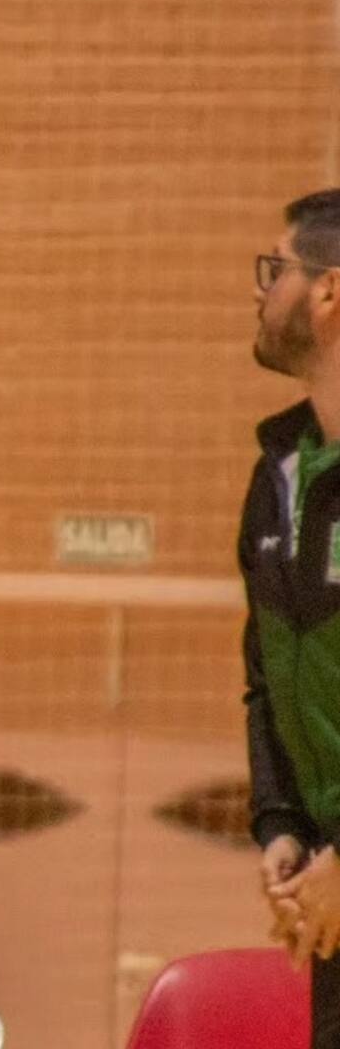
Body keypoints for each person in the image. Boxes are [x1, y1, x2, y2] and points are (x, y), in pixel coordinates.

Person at [243, 187, 340, 1048]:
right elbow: (267, 673)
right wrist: (284, 827)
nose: (260, 289)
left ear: (329, 292)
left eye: (277, 270)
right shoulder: (279, 470)